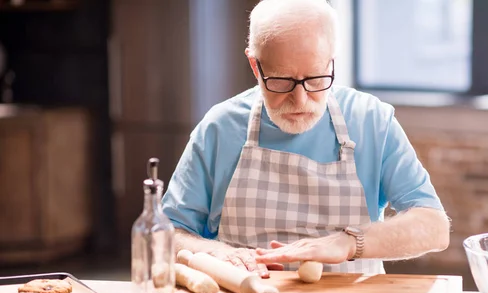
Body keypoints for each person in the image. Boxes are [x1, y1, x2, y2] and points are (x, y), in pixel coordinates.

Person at [162, 0, 450, 278]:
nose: (299, 99)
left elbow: (434, 227)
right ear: (254, 65)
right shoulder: (220, 127)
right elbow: (167, 234)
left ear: (332, 61)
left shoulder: (371, 121)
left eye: (315, 79)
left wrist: (350, 242)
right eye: (281, 81)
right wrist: (215, 253)